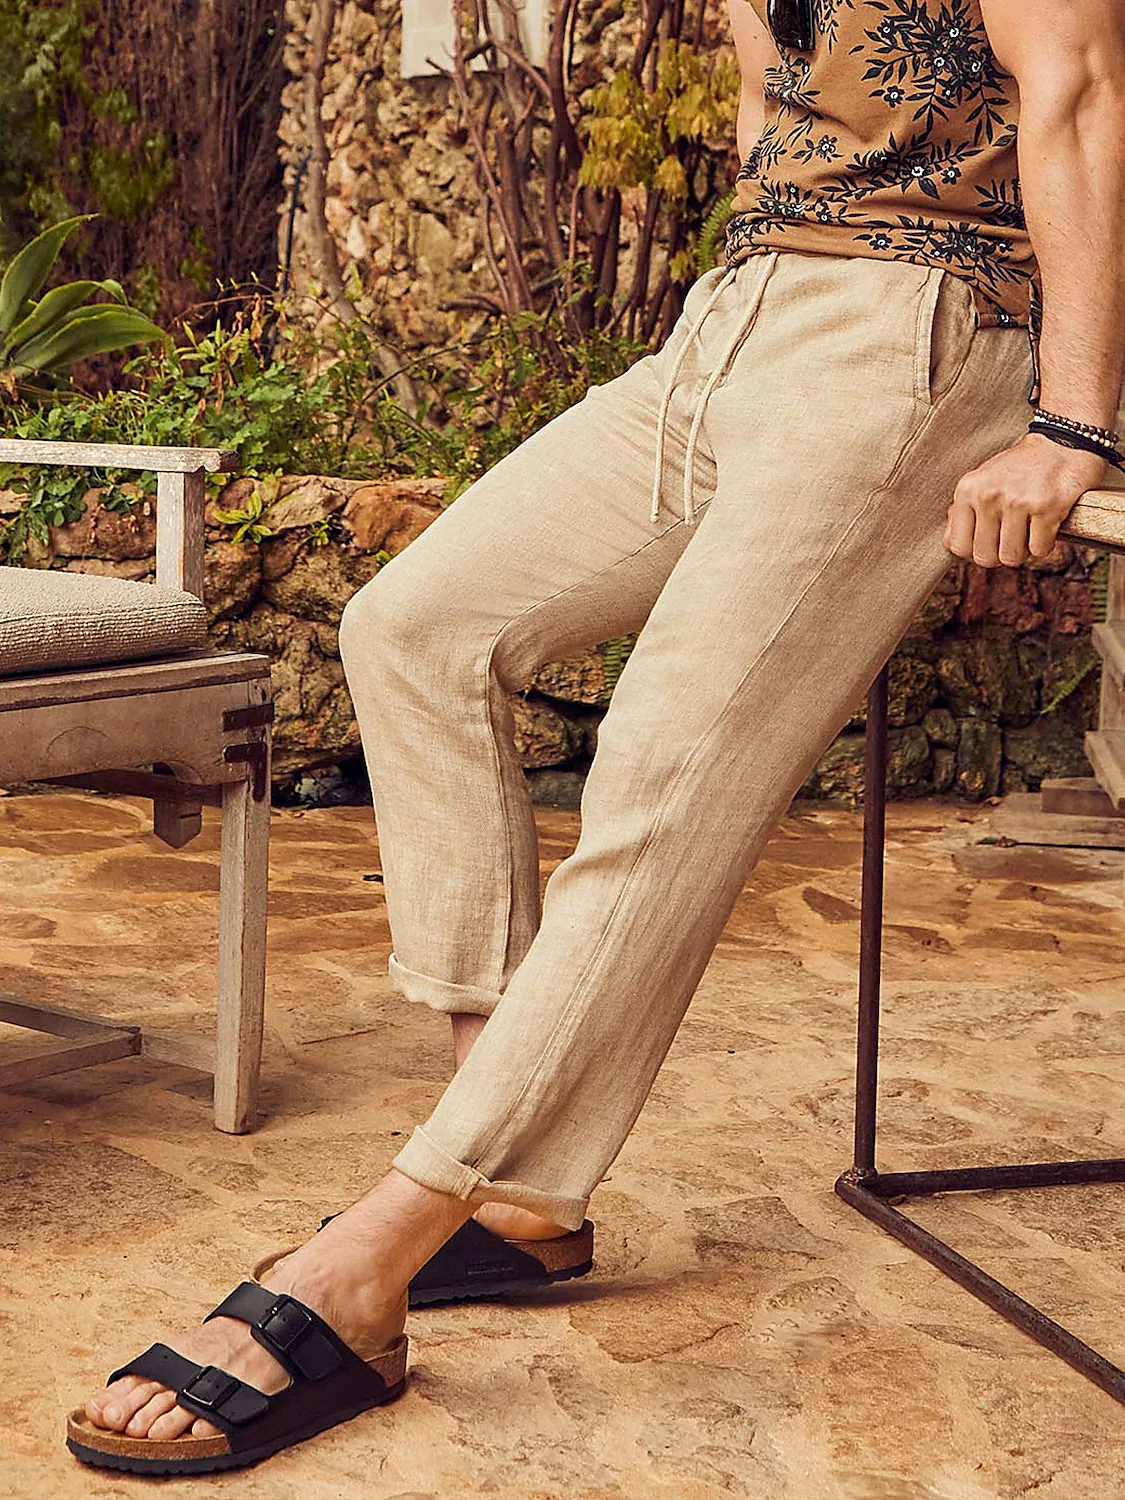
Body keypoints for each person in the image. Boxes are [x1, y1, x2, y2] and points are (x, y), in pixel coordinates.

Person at [69, 0, 1125, 1474]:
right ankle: (514, 1186)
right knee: (416, 627)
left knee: (658, 780)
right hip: (731, 324)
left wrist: (1072, 425)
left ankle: (377, 1255)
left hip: (921, 332)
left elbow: (1078, 90)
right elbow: (771, 99)